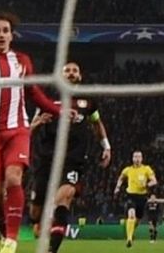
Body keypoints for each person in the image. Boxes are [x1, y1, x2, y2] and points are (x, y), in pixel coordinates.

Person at [0, 11, 73, 253]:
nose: (1, 35)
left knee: (13, 179)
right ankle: (2, 230)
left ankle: (11, 240)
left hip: (18, 130)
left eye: (5, 31)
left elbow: (34, 93)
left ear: (12, 35)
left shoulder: (22, 61)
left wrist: (59, 110)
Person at [28, 61, 112, 253]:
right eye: (67, 70)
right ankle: (41, 218)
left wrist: (106, 146)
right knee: (35, 214)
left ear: (80, 76)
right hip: (46, 159)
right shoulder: (47, 98)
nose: (71, 73)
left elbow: (97, 124)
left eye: (75, 70)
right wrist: (38, 123)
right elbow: (29, 130)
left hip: (73, 159)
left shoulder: (88, 101)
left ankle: (51, 250)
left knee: (64, 198)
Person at [113, 150, 157, 248]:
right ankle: (129, 239)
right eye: (135, 157)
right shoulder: (127, 170)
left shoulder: (146, 169)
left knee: (137, 220)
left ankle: (131, 233)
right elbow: (121, 178)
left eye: (139, 157)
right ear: (132, 158)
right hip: (130, 195)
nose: (137, 159)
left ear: (142, 158)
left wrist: (146, 184)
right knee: (131, 215)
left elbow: (154, 181)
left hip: (142, 197)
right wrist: (117, 187)